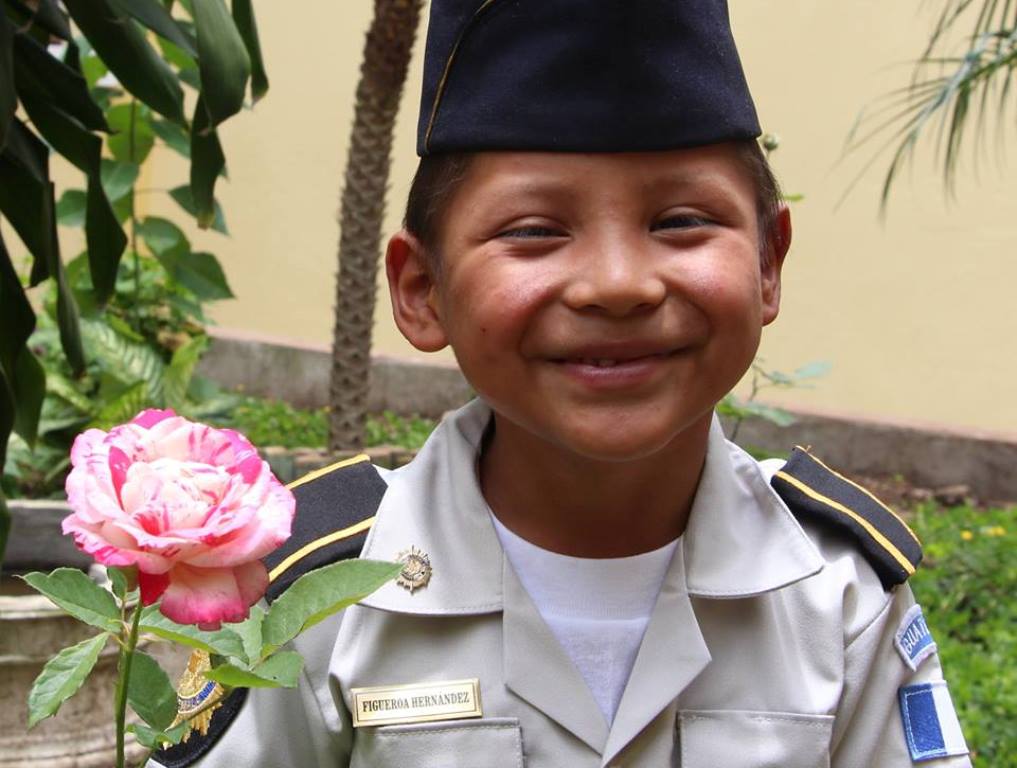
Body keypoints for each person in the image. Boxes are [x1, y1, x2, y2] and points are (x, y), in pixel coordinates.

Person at [156, 1, 971, 765]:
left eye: (681, 221)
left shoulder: (837, 598)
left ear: (766, 263)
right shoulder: (319, 598)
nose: (617, 284)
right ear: (421, 290)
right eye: (534, 231)